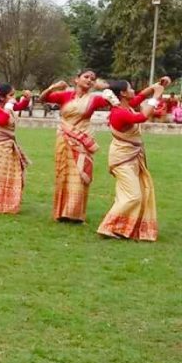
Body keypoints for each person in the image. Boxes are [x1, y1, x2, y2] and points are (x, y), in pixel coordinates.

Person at [96, 78, 170, 241]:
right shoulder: (119, 113)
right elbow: (143, 116)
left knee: (128, 194)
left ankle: (121, 228)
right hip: (122, 159)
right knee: (133, 196)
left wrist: (158, 85)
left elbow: (142, 95)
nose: (133, 90)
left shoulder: (124, 106)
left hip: (130, 157)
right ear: (122, 93)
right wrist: (157, 95)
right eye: (130, 88)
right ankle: (107, 226)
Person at [39, 70, 110, 222]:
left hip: (82, 140)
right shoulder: (64, 96)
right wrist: (53, 87)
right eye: (86, 77)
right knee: (63, 173)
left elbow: (114, 100)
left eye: (92, 78)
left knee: (79, 174)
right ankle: (61, 212)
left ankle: (75, 213)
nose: (89, 80)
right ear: (76, 80)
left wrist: (103, 87)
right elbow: (43, 98)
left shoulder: (94, 99)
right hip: (64, 139)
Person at [0, 83, 32, 214]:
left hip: (8, 145)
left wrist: (26, 98)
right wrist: (9, 106)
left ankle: (8, 203)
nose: (13, 98)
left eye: (14, 94)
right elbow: (2, 120)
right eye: (11, 95)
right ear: (2, 97)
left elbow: (21, 106)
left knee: (12, 174)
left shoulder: (9, 106)